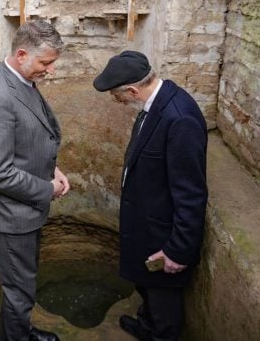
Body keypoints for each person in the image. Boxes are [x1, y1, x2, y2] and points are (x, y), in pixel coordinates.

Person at [93, 51, 208, 341]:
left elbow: (191, 194)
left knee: (163, 301)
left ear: (132, 90)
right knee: (146, 288)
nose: (116, 102)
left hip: (163, 235)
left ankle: (160, 335)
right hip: (146, 223)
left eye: (117, 96)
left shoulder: (180, 119)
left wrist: (178, 250)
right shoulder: (153, 105)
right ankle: (147, 327)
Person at [0, 20, 70, 341]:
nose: (51, 70)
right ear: (22, 54)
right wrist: (46, 189)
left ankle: (22, 332)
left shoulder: (20, 80)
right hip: (10, 217)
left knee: (24, 283)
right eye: (46, 63)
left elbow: (29, 138)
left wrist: (50, 169)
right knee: (18, 290)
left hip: (24, 209)